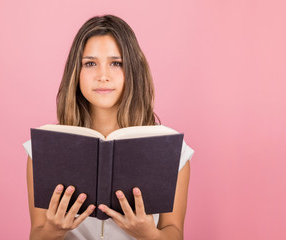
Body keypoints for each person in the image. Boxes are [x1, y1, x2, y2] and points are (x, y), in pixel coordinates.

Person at [23, 14, 194, 240]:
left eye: (116, 63)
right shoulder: (43, 149)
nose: (103, 76)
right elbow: (37, 234)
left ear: (132, 70)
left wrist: (148, 234)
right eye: (90, 63)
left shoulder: (172, 150)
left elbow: (175, 232)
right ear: (76, 72)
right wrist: (54, 230)